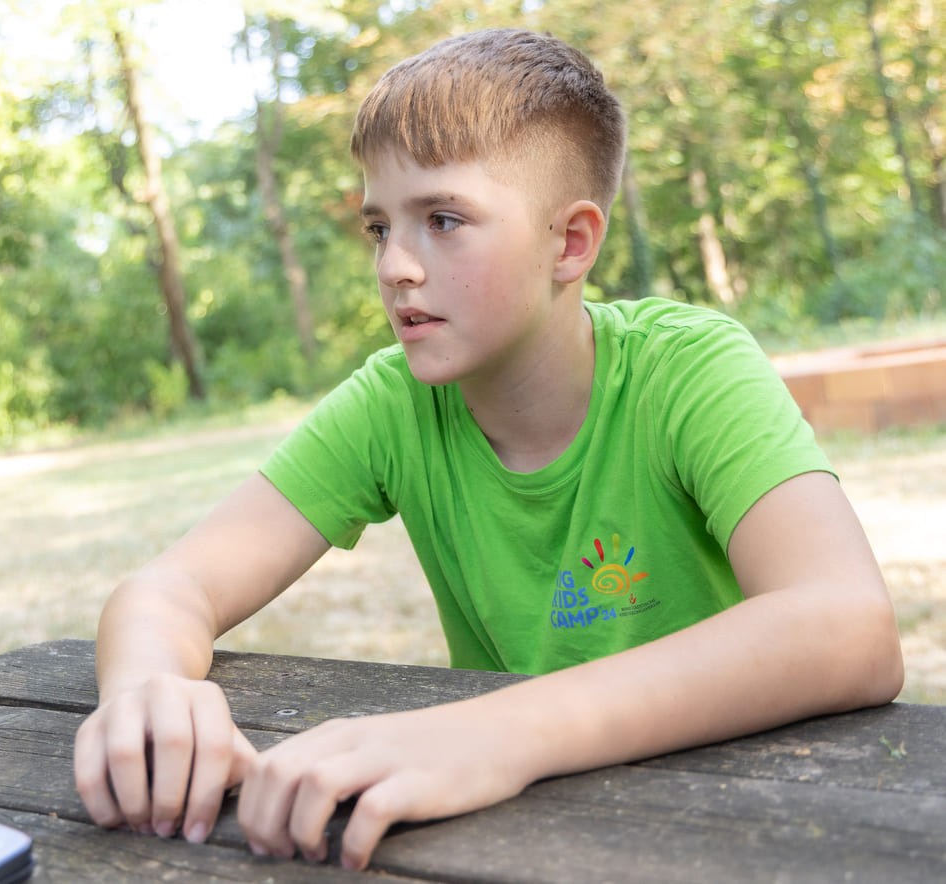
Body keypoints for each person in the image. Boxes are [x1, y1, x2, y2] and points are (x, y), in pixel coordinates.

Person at [73, 28, 904, 871]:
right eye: (377, 227)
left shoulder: (687, 369)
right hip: (512, 841)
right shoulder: (392, 404)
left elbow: (848, 626)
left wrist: (499, 733)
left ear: (571, 243)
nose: (394, 265)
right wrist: (151, 693)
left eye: (442, 220)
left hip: (740, 822)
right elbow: (171, 586)